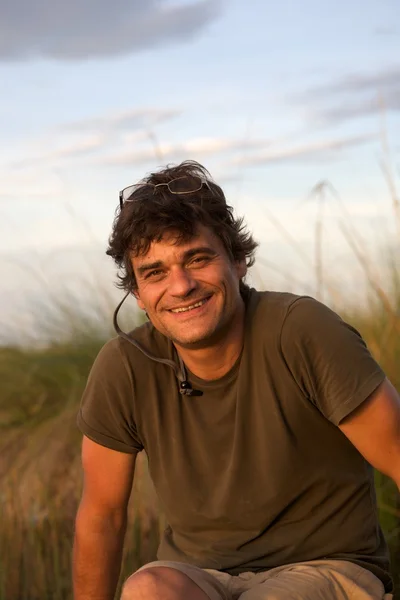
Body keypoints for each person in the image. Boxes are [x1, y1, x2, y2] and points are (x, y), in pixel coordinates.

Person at [73, 160, 399, 600]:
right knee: (147, 589)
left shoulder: (302, 330)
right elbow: (102, 515)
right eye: (155, 272)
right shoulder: (125, 365)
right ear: (137, 292)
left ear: (238, 259)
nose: (182, 286)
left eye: (198, 258)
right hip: (201, 577)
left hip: (327, 568)